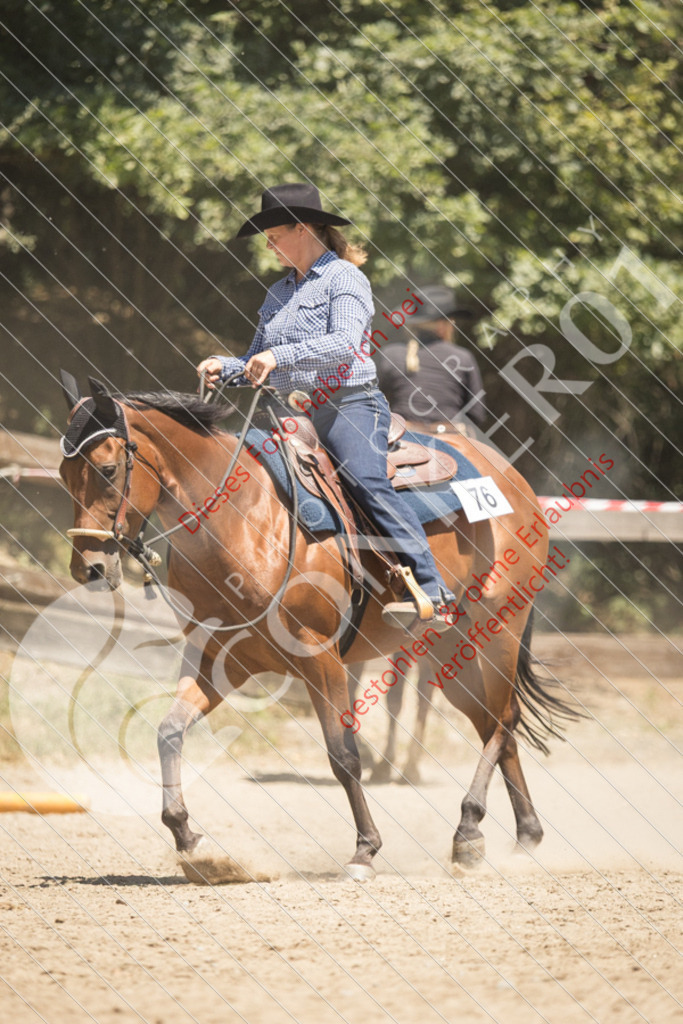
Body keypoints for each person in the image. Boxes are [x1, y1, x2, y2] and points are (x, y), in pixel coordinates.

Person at [197, 182, 457, 628]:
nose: (268, 243)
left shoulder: (345, 278)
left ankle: (433, 588)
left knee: (364, 478)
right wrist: (226, 366)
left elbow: (344, 343)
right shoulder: (277, 292)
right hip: (290, 413)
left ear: (303, 228)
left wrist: (279, 356)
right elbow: (256, 359)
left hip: (348, 405)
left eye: (275, 233)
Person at [375, 284, 485, 435]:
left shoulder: (390, 354)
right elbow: (476, 414)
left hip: (402, 435)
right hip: (450, 436)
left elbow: (373, 402)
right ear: (442, 325)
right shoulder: (463, 357)